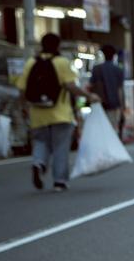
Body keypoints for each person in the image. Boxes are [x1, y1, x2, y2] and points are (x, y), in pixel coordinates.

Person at [16, 32, 102, 191]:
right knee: (60, 147)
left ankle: (38, 163)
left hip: (37, 113)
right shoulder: (61, 62)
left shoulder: (30, 63)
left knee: (41, 142)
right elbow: (70, 86)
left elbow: (21, 89)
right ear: (58, 45)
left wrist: (23, 108)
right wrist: (89, 96)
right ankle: (59, 181)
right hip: (60, 114)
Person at [88, 44, 125, 137]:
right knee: (112, 128)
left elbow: (90, 86)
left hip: (99, 103)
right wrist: (122, 107)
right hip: (114, 104)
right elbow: (119, 90)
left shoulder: (96, 69)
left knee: (101, 129)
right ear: (114, 55)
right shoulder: (118, 70)